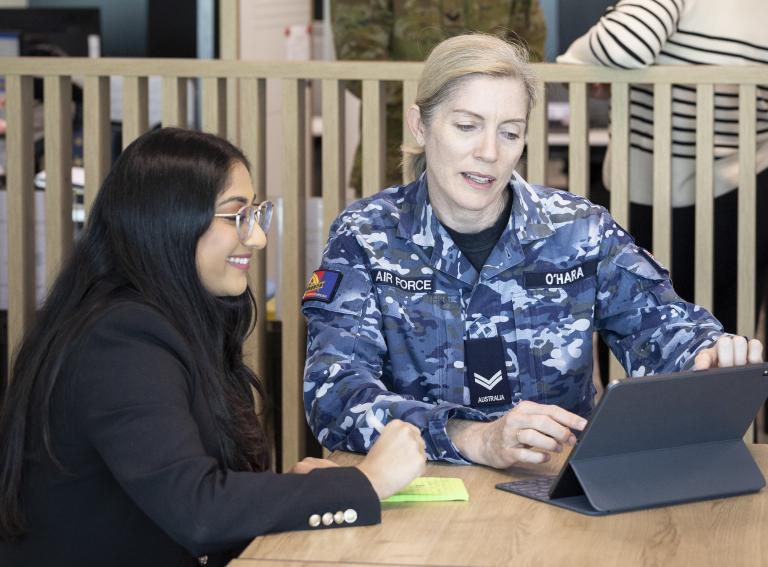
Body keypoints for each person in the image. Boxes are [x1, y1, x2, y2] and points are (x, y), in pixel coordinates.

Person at [302, 33, 764, 470]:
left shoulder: (578, 230)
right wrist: (471, 437)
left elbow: (663, 326)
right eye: (467, 126)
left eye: (509, 133)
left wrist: (707, 352)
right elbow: (334, 393)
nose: (489, 152)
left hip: (558, 487)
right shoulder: (366, 236)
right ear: (420, 125)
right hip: (422, 487)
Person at [0, 128, 426, 567]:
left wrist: (306, 490)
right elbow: (198, 509)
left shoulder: (164, 318)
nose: (257, 238)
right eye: (235, 215)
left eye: (257, 213)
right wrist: (365, 482)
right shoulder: (120, 337)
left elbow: (197, 491)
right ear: (169, 220)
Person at [556, 0, 768, 341]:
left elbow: (620, 46)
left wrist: (580, 63)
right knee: (726, 341)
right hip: (742, 187)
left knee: (636, 337)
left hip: (649, 191)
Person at [330, 0, 547, 191]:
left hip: (491, 173)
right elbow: (358, 55)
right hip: (391, 151)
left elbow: (528, 53)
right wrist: (442, 101)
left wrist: (489, 102)